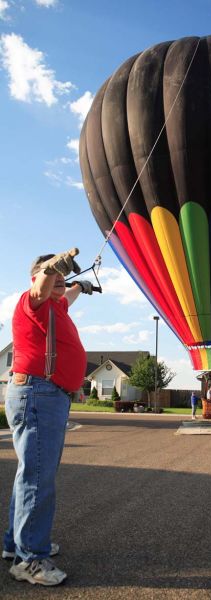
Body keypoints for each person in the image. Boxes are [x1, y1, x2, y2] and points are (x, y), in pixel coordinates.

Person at [3, 248, 94, 586]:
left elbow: (64, 293)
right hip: (38, 394)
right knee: (38, 478)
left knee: (32, 474)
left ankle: (16, 544)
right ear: (39, 276)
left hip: (47, 395)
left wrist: (81, 286)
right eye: (55, 274)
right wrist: (53, 266)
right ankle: (30, 559)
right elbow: (43, 287)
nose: (61, 280)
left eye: (63, 277)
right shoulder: (34, 300)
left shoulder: (56, 305)